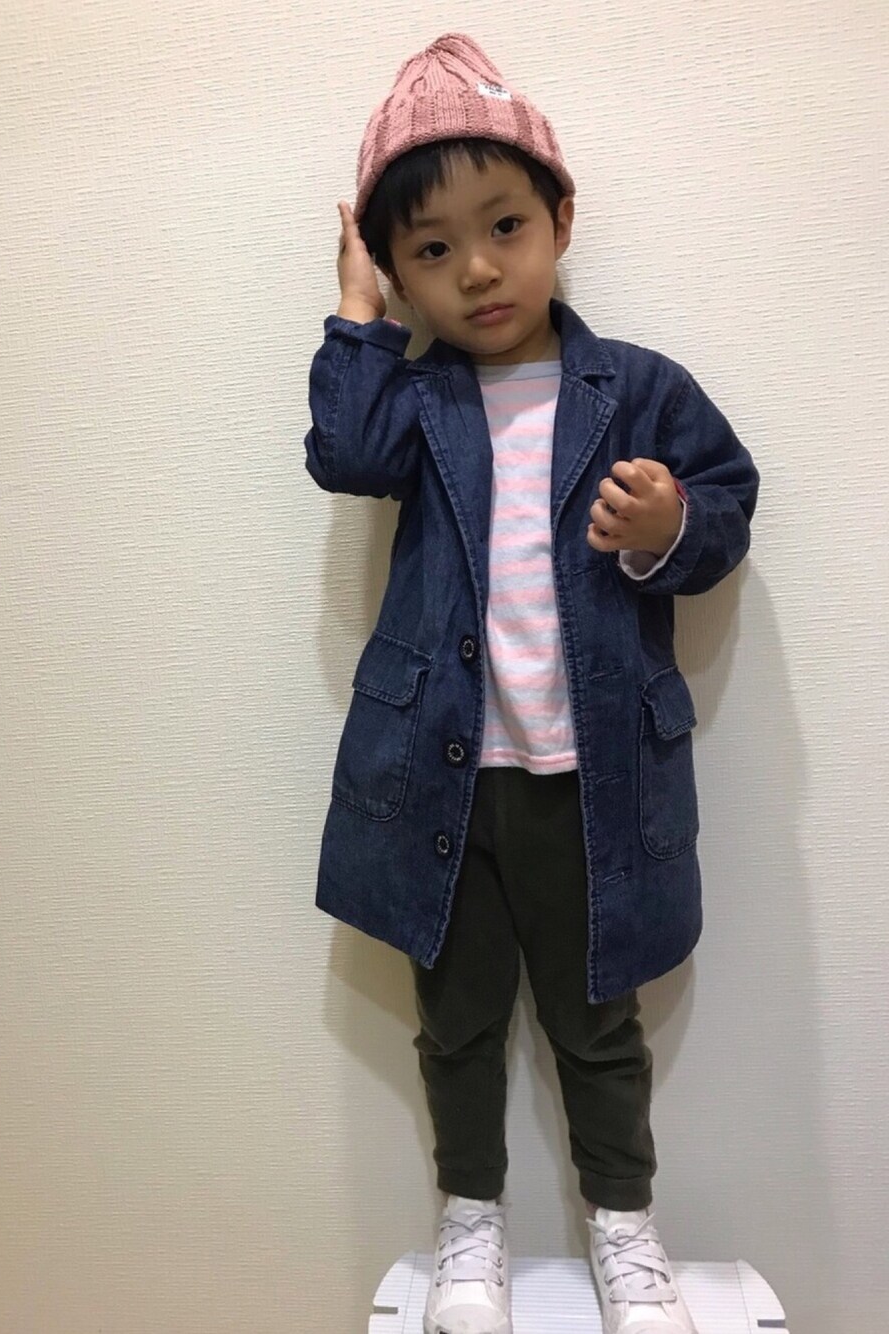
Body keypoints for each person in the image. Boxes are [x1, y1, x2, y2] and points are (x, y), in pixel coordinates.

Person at [303, 32, 759, 1334]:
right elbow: (343, 452)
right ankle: (470, 1227)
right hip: (444, 776)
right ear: (400, 270)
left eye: (504, 225)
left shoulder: (639, 391)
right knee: (454, 1023)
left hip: (590, 778)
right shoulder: (418, 398)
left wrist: (669, 523)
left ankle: (625, 1230)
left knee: (597, 1022)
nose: (476, 269)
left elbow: (729, 503)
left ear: (561, 220)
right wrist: (357, 312)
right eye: (430, 249)